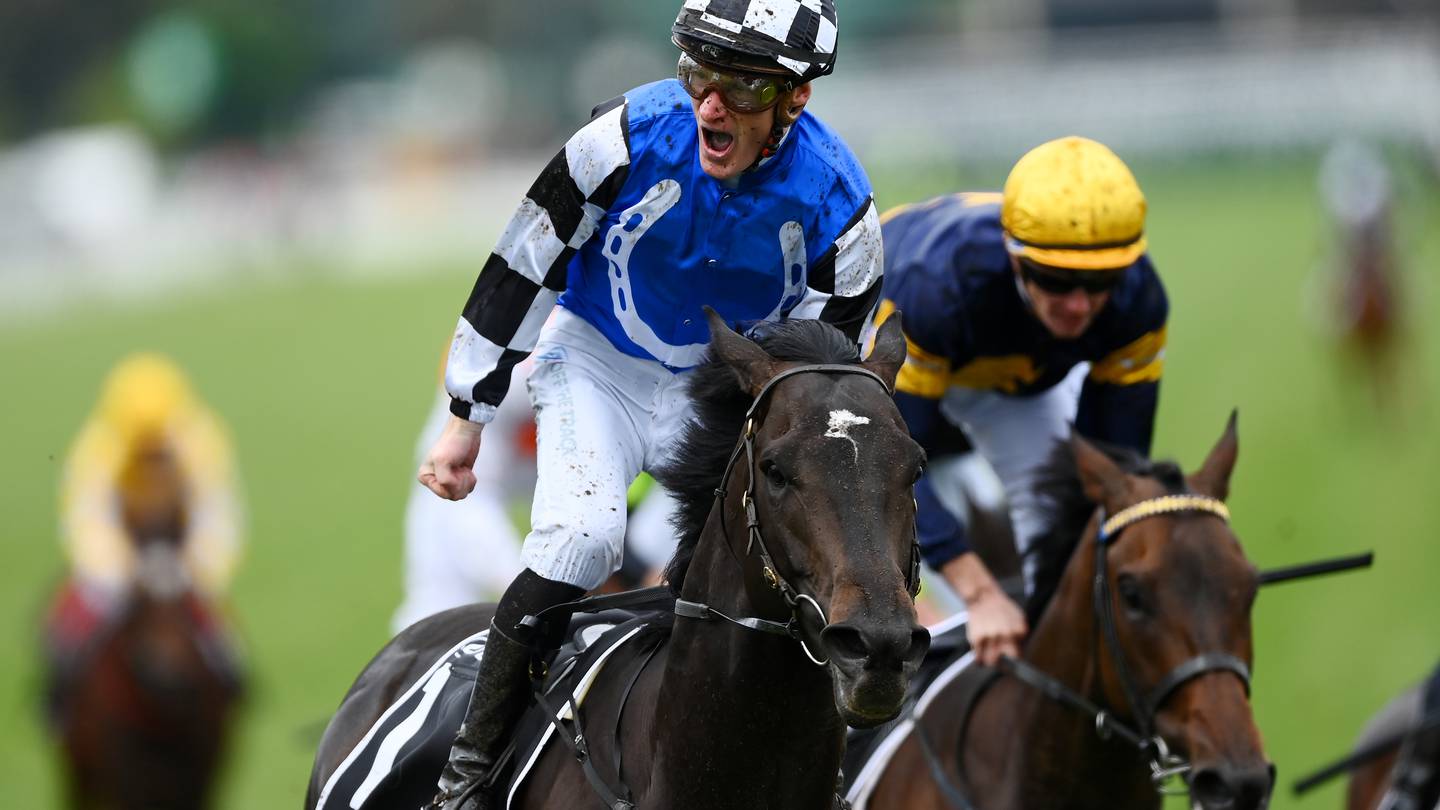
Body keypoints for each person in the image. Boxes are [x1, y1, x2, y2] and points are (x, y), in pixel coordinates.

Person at [415, 2, 882, 806]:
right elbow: (523, 262)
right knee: (582, 541)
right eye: (699, 75)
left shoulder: (843, 207)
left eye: (740, 88)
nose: (711, 106)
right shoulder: (619, 140)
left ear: (795, 98)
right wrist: (468, 414)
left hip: (719, 399)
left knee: (771, 572)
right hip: (595, 366)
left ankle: (819, 778)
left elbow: (823, 381)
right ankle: (469, 770)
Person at [877, 136, 1168, 666]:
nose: (1078, 305)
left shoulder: (1138, 301)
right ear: (1015, 260)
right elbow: (891, 464)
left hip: (1008, 374)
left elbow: (1112, 470)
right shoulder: (937, 288)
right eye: (1056, 280)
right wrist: (981, 596)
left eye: (1100, 282)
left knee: (1067, 545)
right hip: (889, 339)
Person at [45, 353, 244, 705]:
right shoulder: (98, 450)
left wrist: (193, 569)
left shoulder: (200, 443)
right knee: (75, 625)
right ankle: (61, 687)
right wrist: (121, 573)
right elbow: (89, 520)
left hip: (179, 553)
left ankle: (232, 676)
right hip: (122, 557)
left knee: (217, 635)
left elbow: (216, 514)